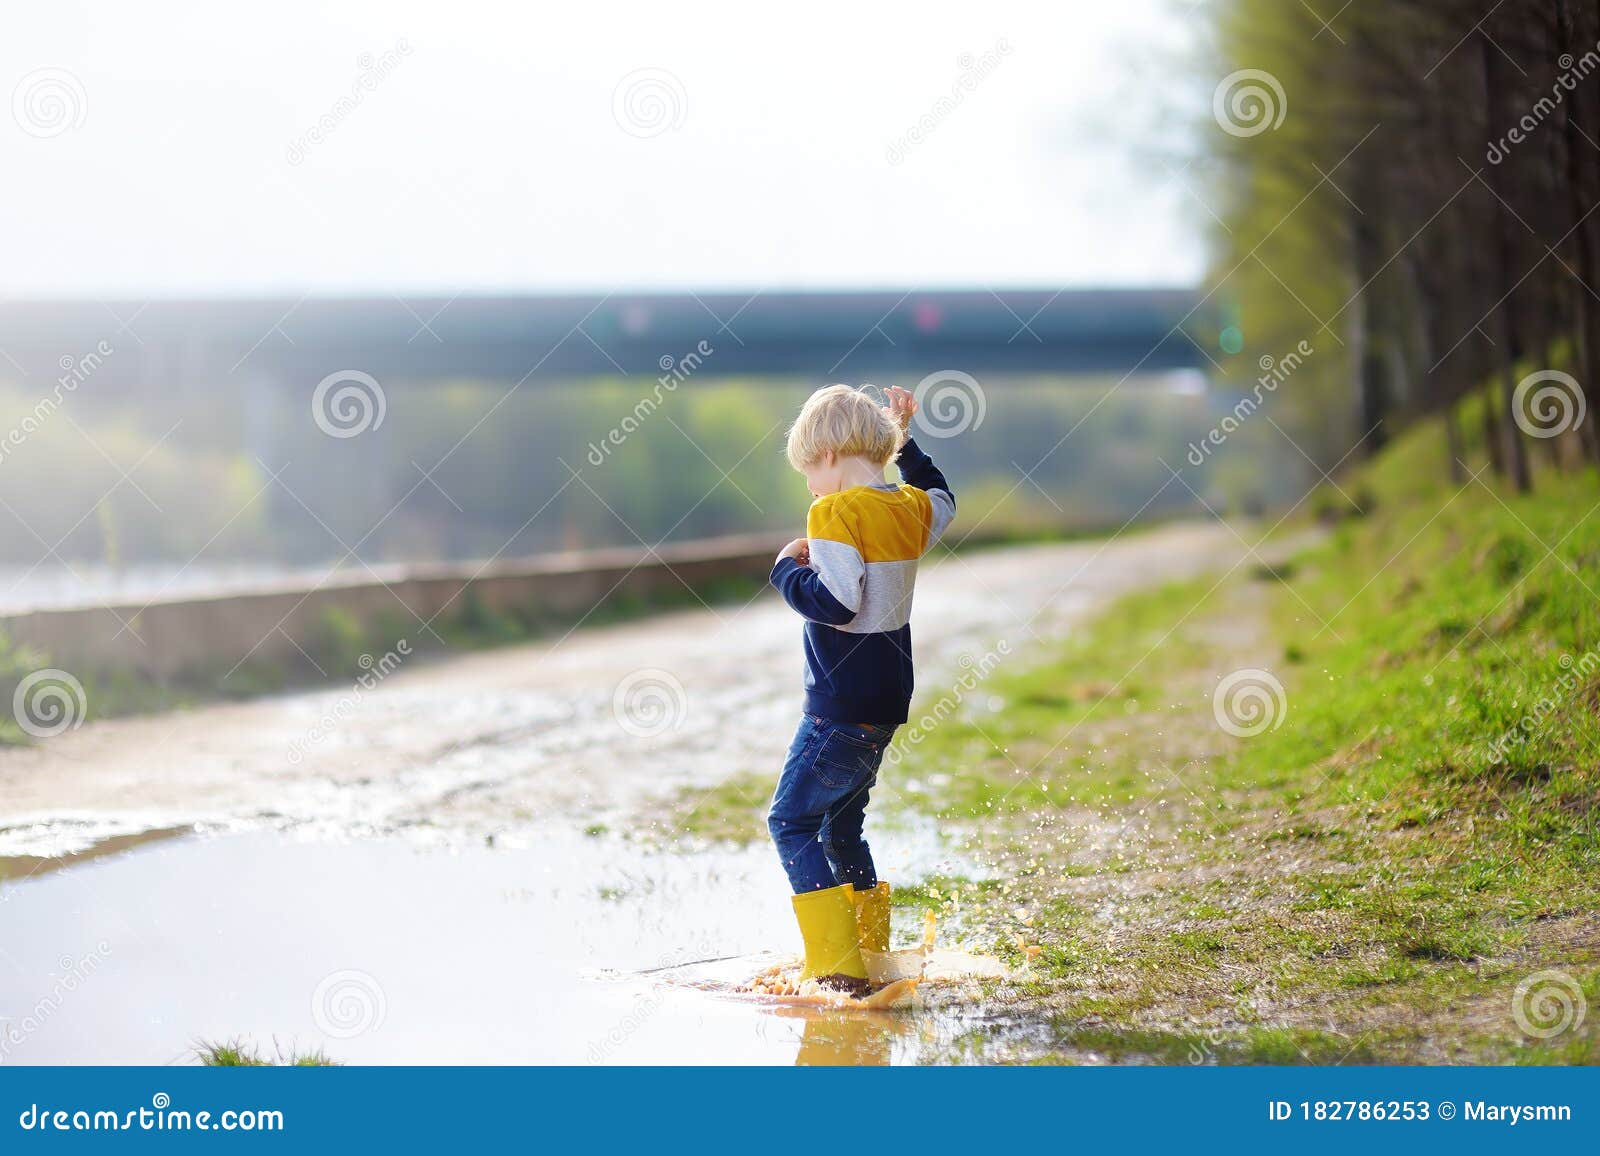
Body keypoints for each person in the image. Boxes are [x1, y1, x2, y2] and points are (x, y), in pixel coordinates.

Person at [767, 383, 956, 992]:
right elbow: (942, 497)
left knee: (790, 822)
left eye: (808, 472)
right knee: (843, 829)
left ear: (826, 455)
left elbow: (837, 603)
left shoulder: (834, 512)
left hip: (838, 708)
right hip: (885, 702)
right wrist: (906, 445)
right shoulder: (905, 508)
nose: (809, 488)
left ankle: (837, 971)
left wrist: (787, 573)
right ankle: (870, 957)